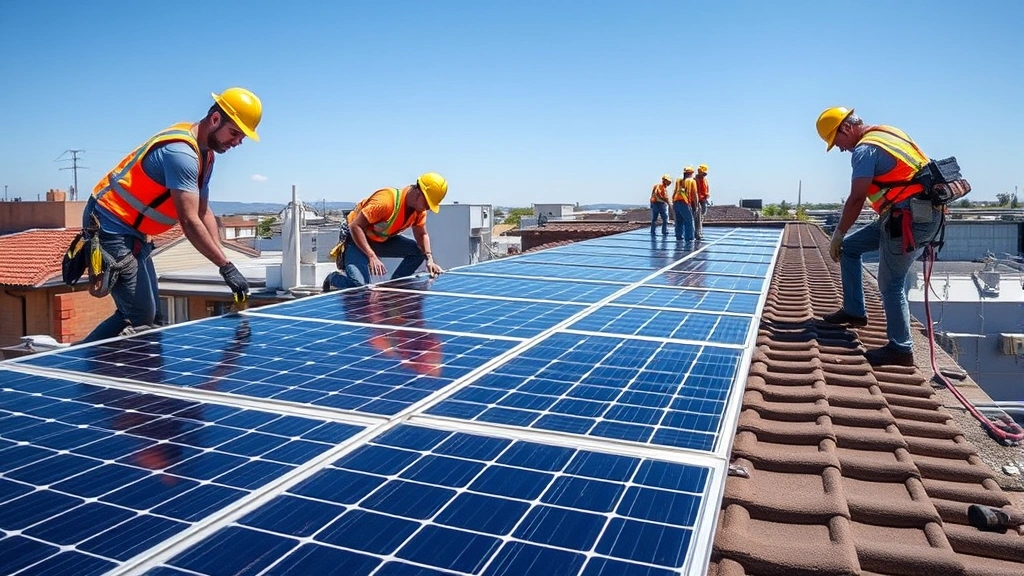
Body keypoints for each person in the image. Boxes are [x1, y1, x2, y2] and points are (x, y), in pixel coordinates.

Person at [80, 88, 262, 342]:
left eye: (242, 137)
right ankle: (76, 365)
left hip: (134, 231)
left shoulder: (205, 155)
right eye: (235, 133)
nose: (237, 142)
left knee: (154, 320)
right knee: (138, 317)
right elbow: (189, 222)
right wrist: (225, 267)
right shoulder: (182, 154)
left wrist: (224, 261)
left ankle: (134, 372)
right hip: (110, 224)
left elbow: (202, 211)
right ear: (216, 119)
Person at [815, 106, 943, 367]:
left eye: (836, 141)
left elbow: (857, 198)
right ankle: (854, 311)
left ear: (846, 128)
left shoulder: (864, 149)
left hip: (908, 220)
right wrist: (844, 240)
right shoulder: (887, 133)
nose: (839, 148)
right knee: (850, 249)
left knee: (891, 284)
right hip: (902, 215)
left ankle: (901, 348)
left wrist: (838, 233)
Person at [324, 173, 448, 290]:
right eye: (427, 203)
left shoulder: (419, 211)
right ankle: (333, 279)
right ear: (418, 193)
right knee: (360, 287)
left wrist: (430, 260)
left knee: (419, 252)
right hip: (356, 239)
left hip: (380, 241)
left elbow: (422, 234)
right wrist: (372, 256)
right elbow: (355, 226)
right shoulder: (385, 202)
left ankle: (394, 287)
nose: (428, 208)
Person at [672, 167, 696, 243]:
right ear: (691, 173)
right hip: (684, 202)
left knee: (679, 221)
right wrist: (696, 205)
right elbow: (694, 194)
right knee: (689, 221)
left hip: (676, 202)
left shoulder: (678, 180)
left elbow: (675, 191)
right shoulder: (692, 181)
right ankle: (689, 238)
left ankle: (679, 236)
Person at [694, 164, 710, 240]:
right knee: (698, 218)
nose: (704, 175)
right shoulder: (695, 180)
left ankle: (699, 232)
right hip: (698, 201)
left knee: (701, 217)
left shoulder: (704, 180)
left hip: (703, 200)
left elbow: (705, 190)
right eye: (703, 173)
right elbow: (695, 192)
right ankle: (697, 233)